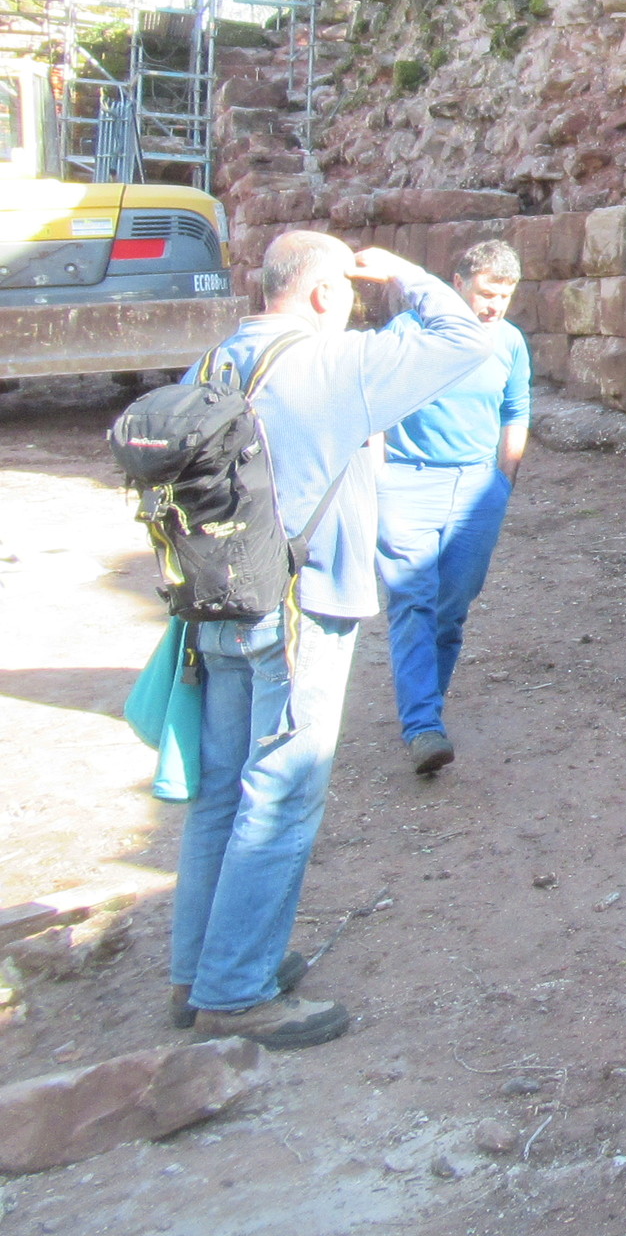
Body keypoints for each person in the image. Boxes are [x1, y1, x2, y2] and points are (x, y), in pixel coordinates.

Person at [171, 230, 491, 1049]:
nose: (351, 305)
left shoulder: (214, 363)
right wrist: (405, 274)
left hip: (217, 603)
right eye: (344, 291)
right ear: (320, 293)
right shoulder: (333, 365)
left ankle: (198, 970)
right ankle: (235, 992)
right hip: (300, 606)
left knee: (222, 792)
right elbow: (463, 338)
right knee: (282, 793)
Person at [376, 238, 531, 776]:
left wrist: (504, 481)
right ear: (458, 283)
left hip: (477, 490)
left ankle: (426, 706)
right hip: (407, 482)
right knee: (412, 600)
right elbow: (376, 402)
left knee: (451, 607)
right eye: (487, 293)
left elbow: (516, 410)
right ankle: (422, 726)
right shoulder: (408, 332)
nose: (495, 306)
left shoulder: (509, 342)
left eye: (505, 296)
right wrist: (378, 475)